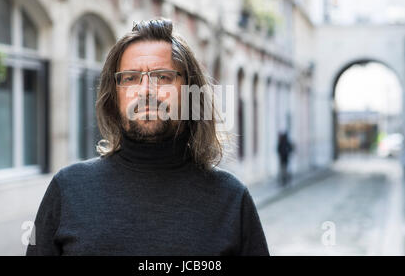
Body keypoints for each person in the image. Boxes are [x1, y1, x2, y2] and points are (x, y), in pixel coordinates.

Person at [26, 18, 269, 256]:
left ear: (190, 93)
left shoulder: (231, 199)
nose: (145, 90)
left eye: (163, 77)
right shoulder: (68, 189)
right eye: (130, 78)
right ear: (114, 96)